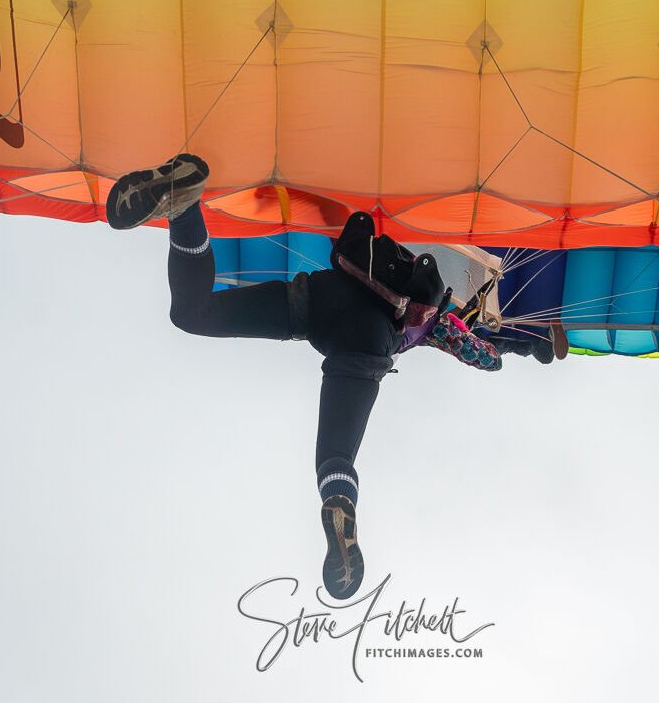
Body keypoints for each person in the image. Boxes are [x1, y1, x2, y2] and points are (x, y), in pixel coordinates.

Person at [105, 154, 514, 600]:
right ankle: (339, 501)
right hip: (360, 342)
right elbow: (483, 356)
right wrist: (499, 351)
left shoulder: (408, 286)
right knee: (334, 457)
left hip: (324, 296)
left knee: (194, 310)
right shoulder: (439, 325)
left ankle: (183, 207)